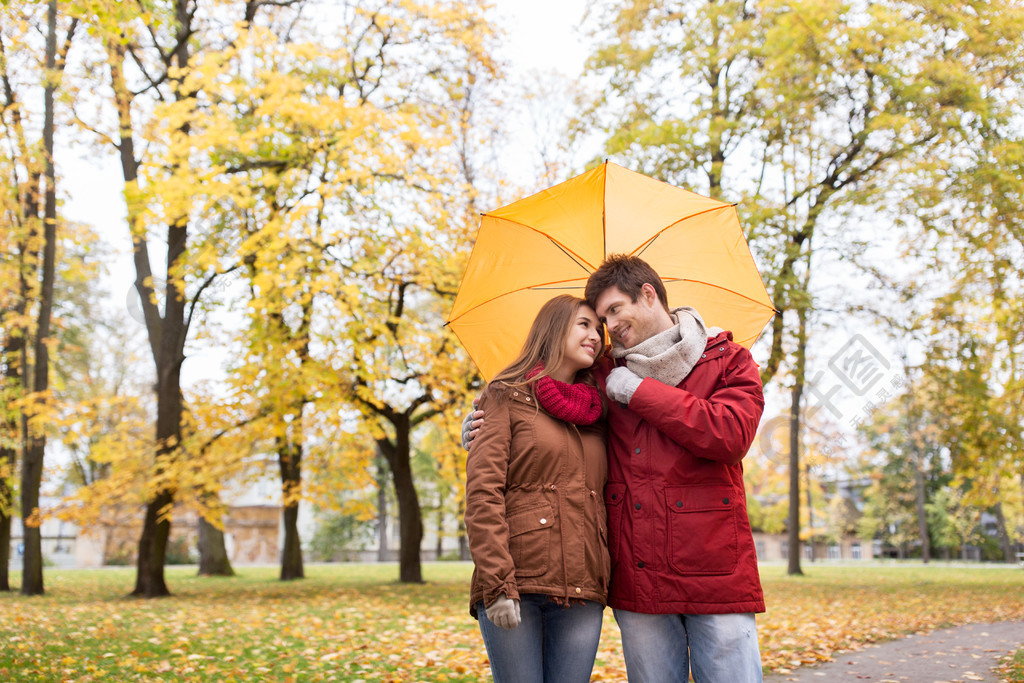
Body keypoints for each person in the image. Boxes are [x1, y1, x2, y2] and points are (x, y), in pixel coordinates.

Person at [464, 254, 766, 682]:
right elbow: (549, 393)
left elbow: (730, 434)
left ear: (647, 294)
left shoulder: (728, 360)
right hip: (639, 575)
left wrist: (641, 392)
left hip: (715, 567)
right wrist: (483, 419)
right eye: (599, 318)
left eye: (613, 311)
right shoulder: (604, 370)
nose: (607, 327)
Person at [464, 294, 611, 683]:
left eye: (599, 329)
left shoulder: (600, 412)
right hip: (517, 581)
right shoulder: (504, 395)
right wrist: (496, 584)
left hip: (583, 585)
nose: (595, 335)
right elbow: (483, 494)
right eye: (584, 324)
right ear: (554, 328)